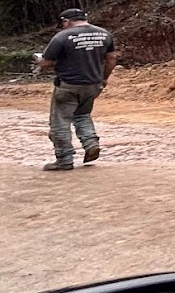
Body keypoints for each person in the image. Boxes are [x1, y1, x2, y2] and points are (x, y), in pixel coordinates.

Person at [37, 9, 118, 172]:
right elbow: (111, 59)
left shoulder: (61, 37)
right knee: (82, 115)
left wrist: (39, 60)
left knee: (60, 123)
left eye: (62, 24)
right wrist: (104, 78)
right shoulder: (104, 34)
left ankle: (64, 159)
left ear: (66, 21)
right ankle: (91, 144)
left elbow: (46, 63)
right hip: (93, 85)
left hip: (68, 85)